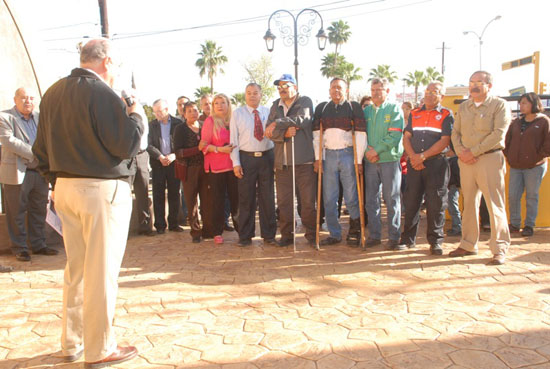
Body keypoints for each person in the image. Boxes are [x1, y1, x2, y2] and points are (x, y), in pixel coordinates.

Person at [32, 38, 142, 367]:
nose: (116, 70)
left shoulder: (51, 93)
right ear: (106, 61)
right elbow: (125, 144)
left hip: (64, 188)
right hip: (100, 192)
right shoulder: (102, 93)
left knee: (76, 270)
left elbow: (40, 153)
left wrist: (57, 183)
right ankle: (101, 349)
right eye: (116, 64)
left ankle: (72, 342)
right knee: (102, 272)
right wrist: (136, 115)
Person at [450, 70, 512, 265]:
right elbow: (455, 133)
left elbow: (498, 133)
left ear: (489, 86)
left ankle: (499, 248)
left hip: (489, 159)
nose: (474, 85)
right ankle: (468, 244)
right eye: (471, 82)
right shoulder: (464, 107)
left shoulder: (499, 105)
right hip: (466, 162)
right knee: (468, 204)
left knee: (495, 205)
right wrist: (461, 152)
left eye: (479, 82)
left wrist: (473, 152)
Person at [0, 87, 58, 262]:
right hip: (16, 173)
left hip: (39, 172)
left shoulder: (41, 118)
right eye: (24, 98)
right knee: (16, 212)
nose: (28, 101)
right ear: (15, 99)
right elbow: (9, 141)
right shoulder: (5, 117)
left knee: (39, 210)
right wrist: (37, 153)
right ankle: (19, 247)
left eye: (32, 98)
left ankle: (39, 245)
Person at [399, 82, 453, 255]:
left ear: (441, 96)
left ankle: (435, 242)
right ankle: (408, 239)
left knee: (436, 203)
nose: (429, 95)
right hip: (415, 164)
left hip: (436, 164)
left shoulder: (446, 114)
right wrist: (414, 157)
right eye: (427, 91)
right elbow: (406, 137)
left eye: (434, 92)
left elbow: (445, 140)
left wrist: (423, 156)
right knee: (411, 201)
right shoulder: (414, 113)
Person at [312, 78, 366, 246]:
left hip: (348, 154)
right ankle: (334, 233)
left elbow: (360, 134)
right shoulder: (322, 108)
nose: (336, 90)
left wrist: (358, 160)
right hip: (328, 156)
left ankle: (355, 231)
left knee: (351, 196)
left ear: (346, 90)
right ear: (329, 90)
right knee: (329, 198)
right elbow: (316, 136)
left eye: (340, 88)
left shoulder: (353, 107)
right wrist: (317, 158)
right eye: (333, 87)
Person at [265, 74, 316, 247]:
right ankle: (287, 235)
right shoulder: (275, 105)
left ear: (294, 86)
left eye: (285, 85)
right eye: (279, 86)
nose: (281, 89)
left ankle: (312, 234)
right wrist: (284, 134)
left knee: (308, 202)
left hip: (303, 162)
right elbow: (269, 132)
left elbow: (303, 120)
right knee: (284, 202)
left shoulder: (305, 101)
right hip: (282, 164)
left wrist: (278, 123)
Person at [230, 83, 277, 246]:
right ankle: (245, 236)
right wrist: (236, 163)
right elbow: (233, 141)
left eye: (255, 93)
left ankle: (269, 234)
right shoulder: (237, 114)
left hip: (267, 158)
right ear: (245, 95)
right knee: (246, 199)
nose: (252, 96)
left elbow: (276, 136)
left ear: (261, 95)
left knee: (268, 197)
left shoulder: (269, 112)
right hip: (246, 159)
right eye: (248, 93)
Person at [363, 78, 404, 249]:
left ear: (387, 91)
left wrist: (376, 150)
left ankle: (394, 237)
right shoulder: (366, 112)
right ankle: (374, 235)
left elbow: (394, 135)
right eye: (373, 89)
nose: (376, 92)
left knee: (391, 199)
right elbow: (360, 135)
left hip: (389, 161)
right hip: (370, 163)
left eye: (380, 89)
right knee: (371, 200)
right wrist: (368, 152)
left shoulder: (394, 109)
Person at [504, 92, 550, 237]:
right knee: (513, 195)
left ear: (534, 103)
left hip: (535, 166)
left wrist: (537, 157)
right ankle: (515, 224)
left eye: (524, 103)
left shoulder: (544, 121)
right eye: (520, 103)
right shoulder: (516, 122)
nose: (521, 106)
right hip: (516, 166)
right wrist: (510, 156)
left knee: (531, 196)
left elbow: (547, 143)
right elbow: (507, 141)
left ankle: (529, 225)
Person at [199, 93, 238, 244]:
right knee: (217, 201)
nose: (220, 105)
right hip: (215, 168)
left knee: (236, 199)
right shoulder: (209, 122)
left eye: (223, 102)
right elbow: (203, 146)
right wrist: (220, 150)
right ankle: (217, 232)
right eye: (216, 103)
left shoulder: (234, 120)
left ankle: (242, 230)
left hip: (233, 165)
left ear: (228, 104)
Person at [147, 99, 184, 234]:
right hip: (158, 164)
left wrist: (174, 155)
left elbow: (183, 143)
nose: (157, 114)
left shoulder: (178, 124)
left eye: (159, 111)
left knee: (174, 193)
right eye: (155, 112)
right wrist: (160, 157)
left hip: (174, 163)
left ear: (167, 110)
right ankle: (160, 225)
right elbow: (148, 145)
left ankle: (174, 224)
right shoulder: (151, 125)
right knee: (158, 194)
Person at [173, 101, 206, 243]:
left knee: (207, 200)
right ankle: (195, 231)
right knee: (191, 201)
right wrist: (197, 149)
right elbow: (178, 152)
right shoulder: (180, 129)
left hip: (206, 169)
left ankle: (208, 229)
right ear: (184, 114)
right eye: (190, 111)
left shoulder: (205, 126)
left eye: (195, 110)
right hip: (189, 170)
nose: (193, 113)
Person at [129, 91, 154, 236]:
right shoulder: (123, 114)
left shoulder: (143, 114)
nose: (131, 100)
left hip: (142, 155)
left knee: (143, 191)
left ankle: (145, 227)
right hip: (127, 156)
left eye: (134, 97)